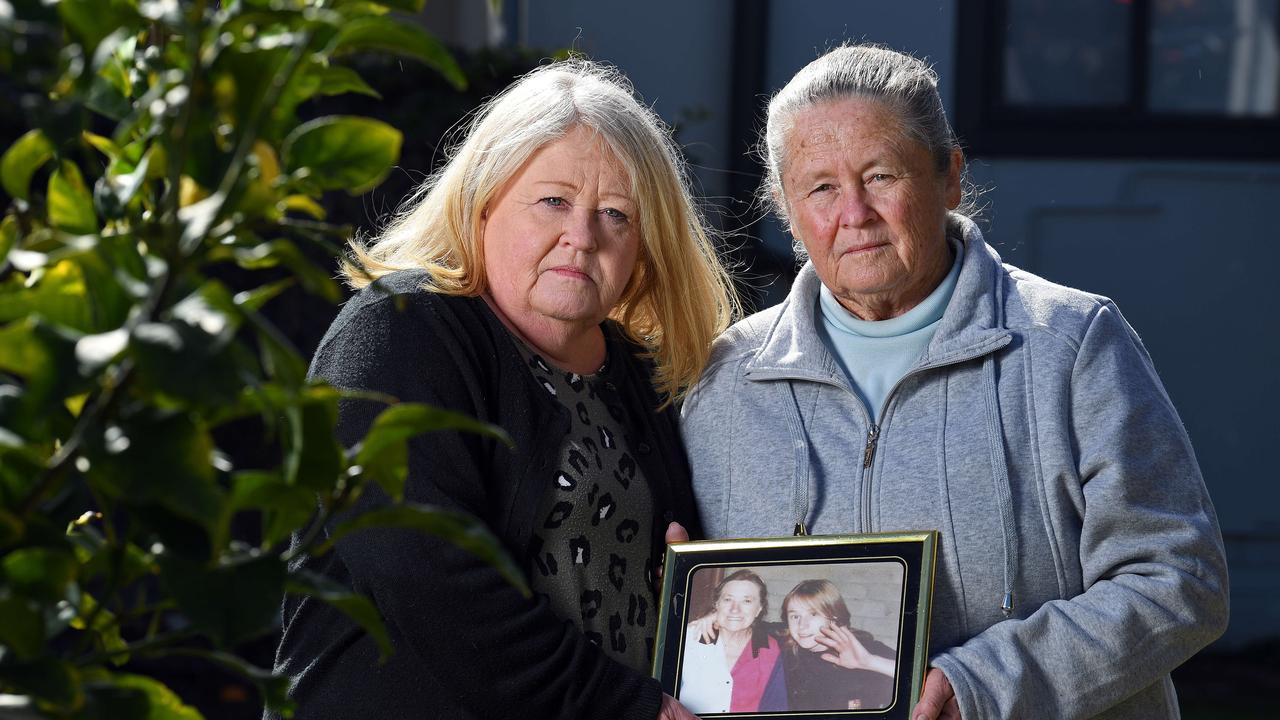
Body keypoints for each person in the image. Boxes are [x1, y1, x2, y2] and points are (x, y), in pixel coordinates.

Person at [681, 43, 1229, 720]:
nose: (854, 213)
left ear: (950, 177)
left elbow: (1178, 579)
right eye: (820, 187)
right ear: (785, 209)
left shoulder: (1072, 345)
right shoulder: (725, 383)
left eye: (880, 176)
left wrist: (983, 684)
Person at [271, 59, 738, 720]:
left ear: (644, 246)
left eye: (616, 216)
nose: (582, 237)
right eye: (553, 201)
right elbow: (429, 580)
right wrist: (632, 709)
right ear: (482, 202)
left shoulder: (635, 371)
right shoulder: (400, 331)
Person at [759, 579, 896, 712]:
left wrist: (868, 661)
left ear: (834, 616)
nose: (802, 625)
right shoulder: (786, 642)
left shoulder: (859, 646)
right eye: (795, 616)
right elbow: (750, 625)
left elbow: (913, 674)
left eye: (813, 614)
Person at [677, 569, 782, 714]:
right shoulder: (691, 637)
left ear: (759, 609)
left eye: (746, 601)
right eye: (728, 599)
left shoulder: (771, 648)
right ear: (717, 604)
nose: (735, 609)